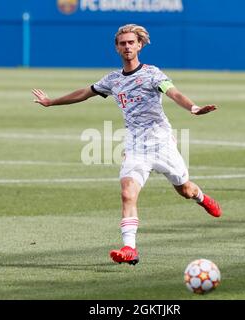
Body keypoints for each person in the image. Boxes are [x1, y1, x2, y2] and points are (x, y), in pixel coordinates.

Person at [32, 24, 222, 265]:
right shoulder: (112, 80)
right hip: (135, 146)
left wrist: (194, 108)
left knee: (185, 190)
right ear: (117, 48)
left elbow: (173, 93)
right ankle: (129, 248)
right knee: (127, 193)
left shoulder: (152, 74)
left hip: (162, 143)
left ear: (140, 45)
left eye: (131, 42)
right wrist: (51, 102)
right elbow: (84, 93)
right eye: (122, 43)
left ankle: (201, 198)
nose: (127, 47)